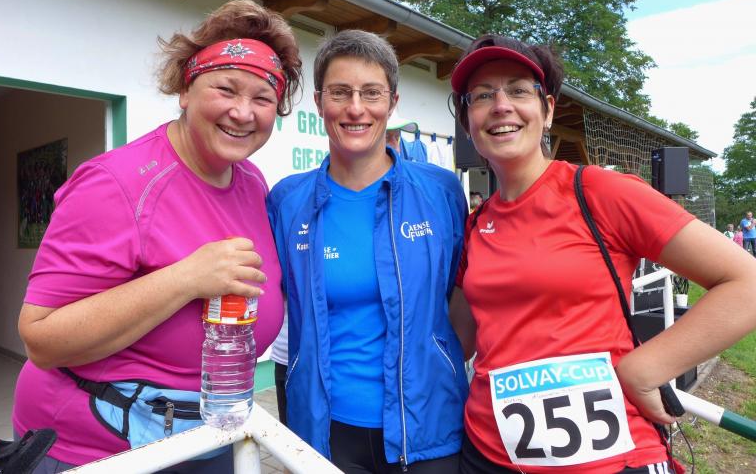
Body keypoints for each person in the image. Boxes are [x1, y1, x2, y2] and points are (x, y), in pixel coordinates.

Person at [13, 0, 302, 472]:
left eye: (262, 98)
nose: (242, 112)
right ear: (186, 89)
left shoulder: (252, 182)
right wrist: (185, 279)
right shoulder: (115, 183)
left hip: (209, 430)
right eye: (225, 89)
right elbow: (41, 339)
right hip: (96, 448)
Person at [447, 34, 756, 474]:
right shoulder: (475, 224)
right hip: (488, 456)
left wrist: (646, 368)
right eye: (482, 95)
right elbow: (455, 340)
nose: (500, 106)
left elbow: (747, 284)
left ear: (547, 110)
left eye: (518, 90)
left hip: (610, 459)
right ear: (467, 121)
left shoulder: (600, 192)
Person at [267, 30, 468, 473]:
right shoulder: (287, 201)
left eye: (371, 93)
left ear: (392, 102)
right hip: (326, 430)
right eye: (340, 92)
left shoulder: (441, 192)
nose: (356, 108)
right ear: (319, 102)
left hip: (429, 429)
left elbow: (458, 291)